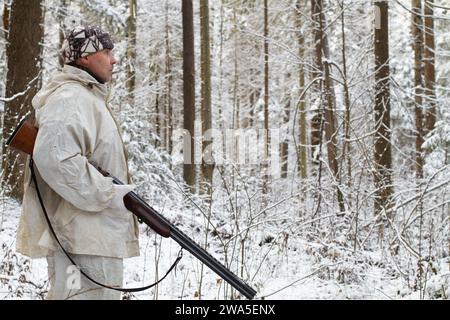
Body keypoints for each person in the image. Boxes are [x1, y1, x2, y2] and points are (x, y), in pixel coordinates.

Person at [15, 26, 140, 300]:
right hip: (81, 241)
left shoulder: (84, 98)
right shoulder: (71, 98)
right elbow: (56, 159)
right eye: (106, 52)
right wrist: (108, 193)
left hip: (91, 238)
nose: (114, 59)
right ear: (84, 57)